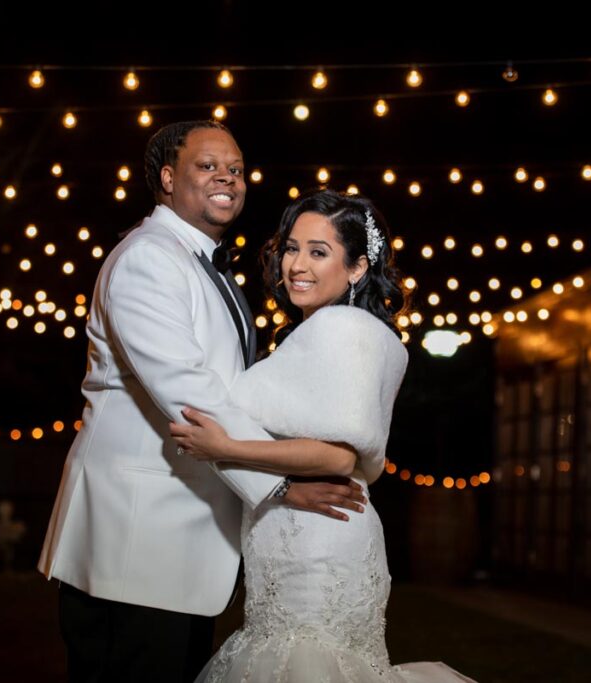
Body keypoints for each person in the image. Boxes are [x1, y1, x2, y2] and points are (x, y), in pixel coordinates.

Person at [37, 121, 367, 683]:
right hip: (134, 543)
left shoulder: (196, 260)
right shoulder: (147, 258)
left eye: (235, 169)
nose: (227, 179)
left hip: (179, 544)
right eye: (208, 166)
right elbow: (189, 392)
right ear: (167, 178)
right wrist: (283, 481)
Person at [171, 189, 475, 682]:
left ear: (356, 268)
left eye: (319, 251)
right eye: (292, 248)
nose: (297, 265)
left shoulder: (343, 330)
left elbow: (336, 456)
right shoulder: (316, 335)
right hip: (295, 533)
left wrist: (224, 448)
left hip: (319, 542)